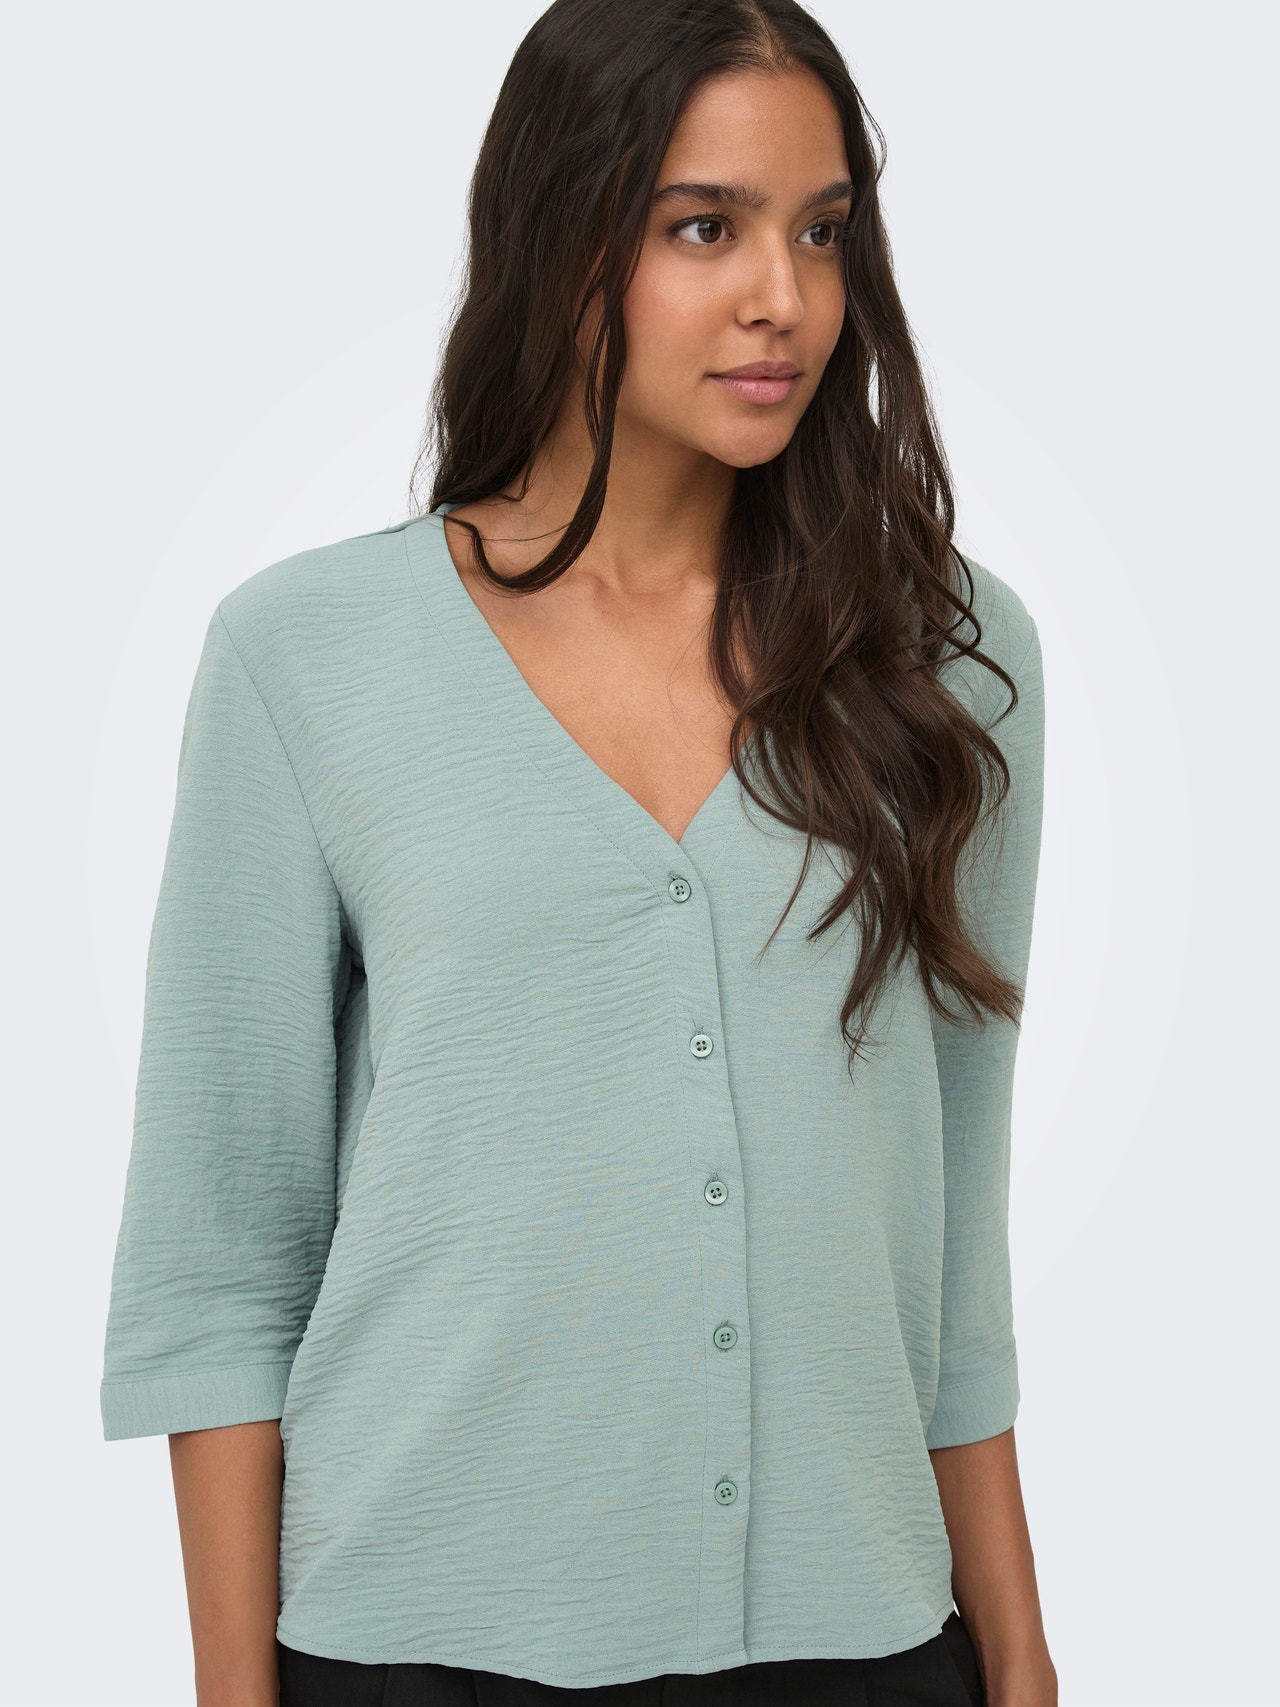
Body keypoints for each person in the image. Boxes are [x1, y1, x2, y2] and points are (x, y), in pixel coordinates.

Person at [99, 1, 1059, 1703]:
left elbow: (952, 1223)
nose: (783, 298)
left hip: (863, 1635)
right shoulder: (306, 656)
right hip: (417, 1639)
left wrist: (1022, 1653)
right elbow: (223, 1257)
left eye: (821, 231)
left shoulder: (945, 661)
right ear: (559, 241)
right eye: (704, 228)